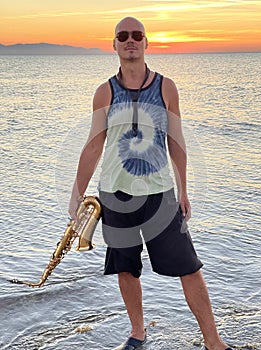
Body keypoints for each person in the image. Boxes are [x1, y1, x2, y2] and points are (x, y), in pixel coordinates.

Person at [69, 17, 232, 350]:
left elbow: (177, 140)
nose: (130, 40)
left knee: (189, 266)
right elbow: (93, 144)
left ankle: (213, 341)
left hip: (160, 195)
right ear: (113, 44)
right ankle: (137, 333)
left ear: (146, 43)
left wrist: (184, 189)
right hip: (114, 196)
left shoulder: (165, 87)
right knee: (125, 268)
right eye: (123, 36)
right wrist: (75, 194)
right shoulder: (105, 91)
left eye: (137, 35)